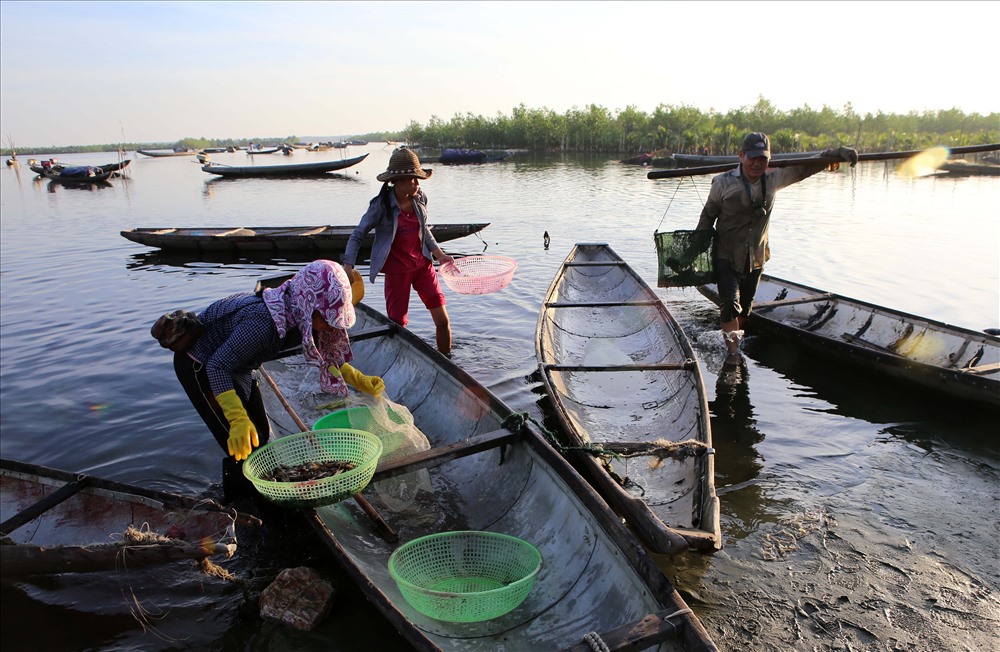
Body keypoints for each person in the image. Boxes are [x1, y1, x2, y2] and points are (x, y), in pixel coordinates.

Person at [172, 259, 383, 500]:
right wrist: (237, 418)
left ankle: (261, 491)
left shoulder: (299, 311)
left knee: (260, 435)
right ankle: (238, 507)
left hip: (239, 363)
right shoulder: (263, 324)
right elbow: (217, 366)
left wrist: (358, 378)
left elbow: (326, 350)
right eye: (328, 318)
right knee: (241, 447)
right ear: (308, 305)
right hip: (201, 365)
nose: (331, 326)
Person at [696, 132, 857, 359]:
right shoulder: (722, 183)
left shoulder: (773, 180)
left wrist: (835, 154)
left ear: (769, 159)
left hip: (756, 256)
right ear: (741, 156)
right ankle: (732, 353)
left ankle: (734, 337)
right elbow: (708, 215)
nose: (757, 163)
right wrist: (696, 247)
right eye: (752, 158)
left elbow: (805, 167)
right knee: (730, 305)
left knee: (745, 307)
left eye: (762, 159)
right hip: (726, 254)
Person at [342, 148, 455, 355]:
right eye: (413, 179)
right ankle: (397, 360)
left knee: (442, 320)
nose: (417, 184)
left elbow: (425, 232)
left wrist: (440, 255)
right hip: (397, 272)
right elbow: (358, 234)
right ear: (399, 181)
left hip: (422, 267)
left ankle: (448, 360)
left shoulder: (420, 199)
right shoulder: (381, 206)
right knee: (397, 325)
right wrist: (348, 266)